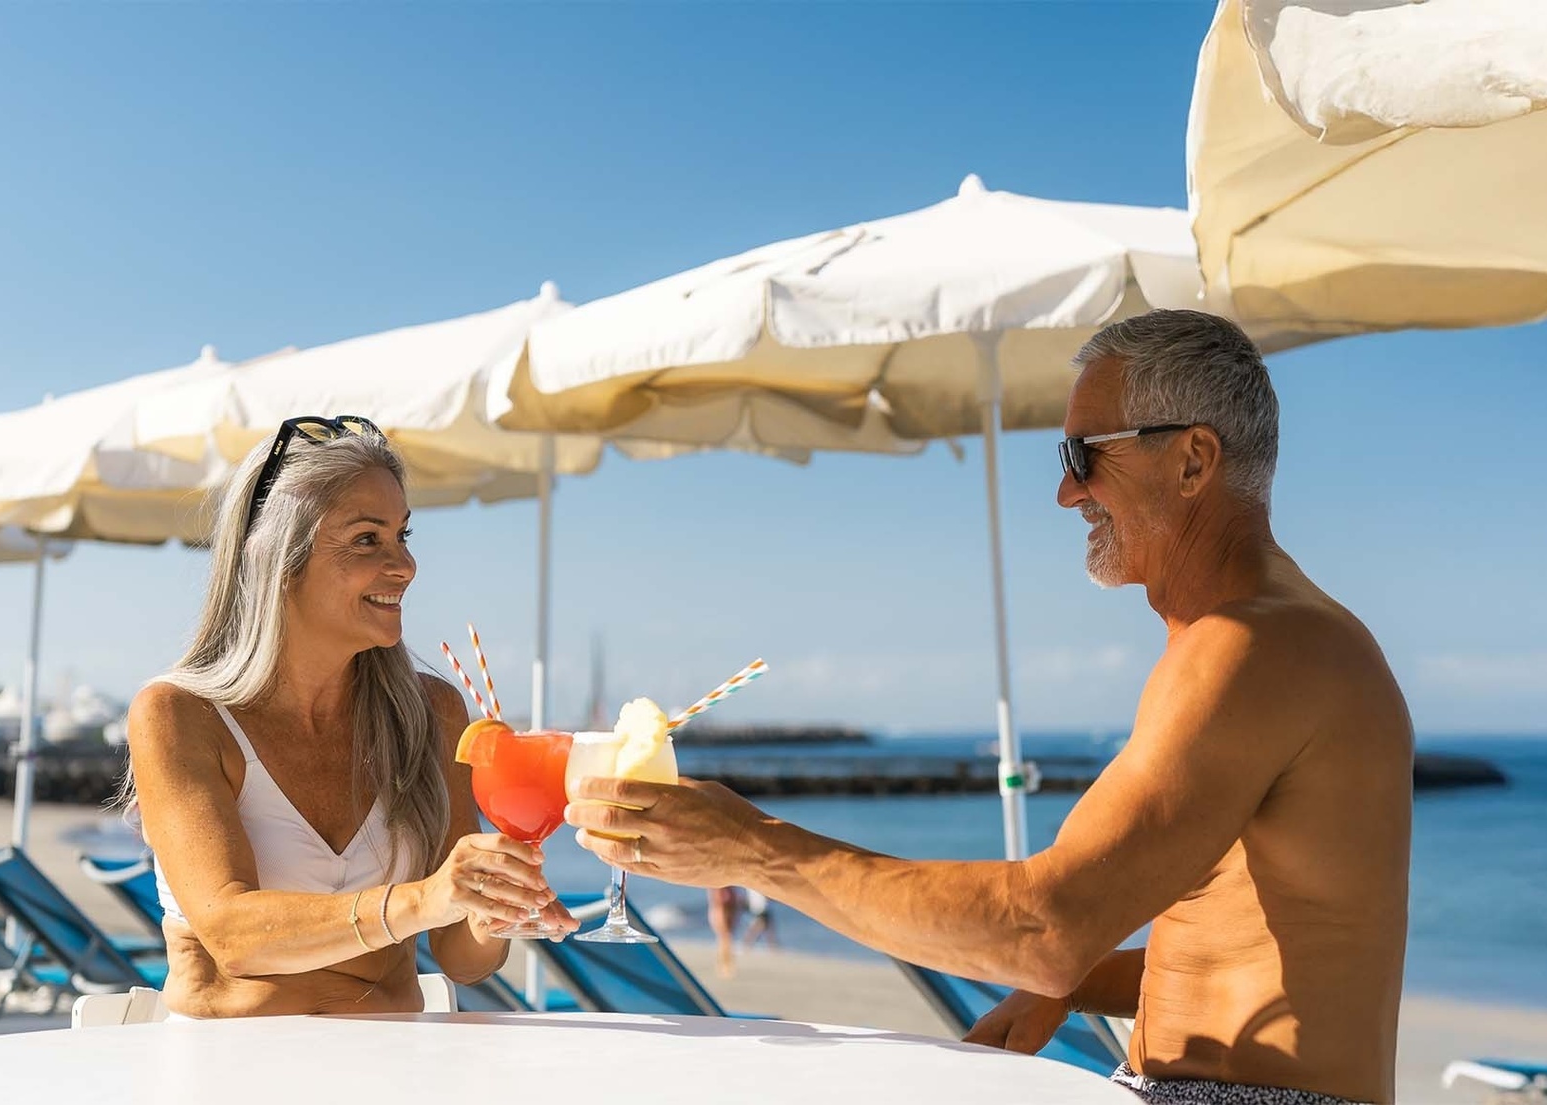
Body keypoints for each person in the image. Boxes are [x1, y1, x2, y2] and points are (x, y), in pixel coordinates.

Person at [566, 311, 1412, 1105]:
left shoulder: (1252, 647)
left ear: (1194, 460)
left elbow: (1046, 927)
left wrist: (758, 851)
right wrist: (1079, 985)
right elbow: (1257, 943)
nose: (1066, 493)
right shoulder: (1255, 639)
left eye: (1085, 456)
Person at [125, 416, 576, 1019]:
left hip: (395, 1063)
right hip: (228, 1070)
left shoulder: (433, 712)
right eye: (367, 539)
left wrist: (492, 900)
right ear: (280, 559)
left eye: (403, 536)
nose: (405, 565)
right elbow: (233, 936)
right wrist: (427, 898)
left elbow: (464, 959)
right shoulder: (180, 715)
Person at [707, 886, 743, 977]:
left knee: (725, 939)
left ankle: (726, 965)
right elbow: (716, 900)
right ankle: (724, 966)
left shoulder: (725, 886)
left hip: (725, 910)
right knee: (725, 939)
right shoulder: (720, 887)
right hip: (721, 910)